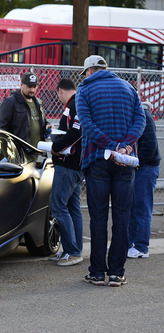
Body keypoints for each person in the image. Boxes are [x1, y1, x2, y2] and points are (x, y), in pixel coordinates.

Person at [76, 55, 146, 287]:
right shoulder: (129, 88)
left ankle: (97, 272)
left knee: (98, 218)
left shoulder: (84, 90)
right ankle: (117, 272)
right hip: (125, 160)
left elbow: (86, 123)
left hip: (97, 160)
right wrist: (125, 144)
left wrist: (109, 144)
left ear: (89, 71)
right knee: (122, 217)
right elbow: (141, 119)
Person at [49, 79, 84, 266]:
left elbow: (76, 133)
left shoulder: (74, 105)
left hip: (69, 165)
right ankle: (73, 250)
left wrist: (55, 147)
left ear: (60, 91)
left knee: (59, 206)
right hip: (73, 165)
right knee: (72, 208)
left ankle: (72, 251)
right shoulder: (76, 103)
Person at [128, 102, 160, 259]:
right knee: (136, 207)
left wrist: (136, 162)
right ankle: (134, 244)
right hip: (142, 167)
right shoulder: (140, 114)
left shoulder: (143, 117)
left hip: (145, 169)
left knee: (142, 207)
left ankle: (141, 247)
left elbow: (149, 147)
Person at [0, 72, 50, 147]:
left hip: (37, 150)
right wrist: (7, 149)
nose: (32, 90)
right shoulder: (11, 102)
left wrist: (48, 125)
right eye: (29, 86)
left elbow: (42, 122)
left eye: (34, 86)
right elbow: (2, 128)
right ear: (21, 85)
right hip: (19, 151)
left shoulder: (38, 102)